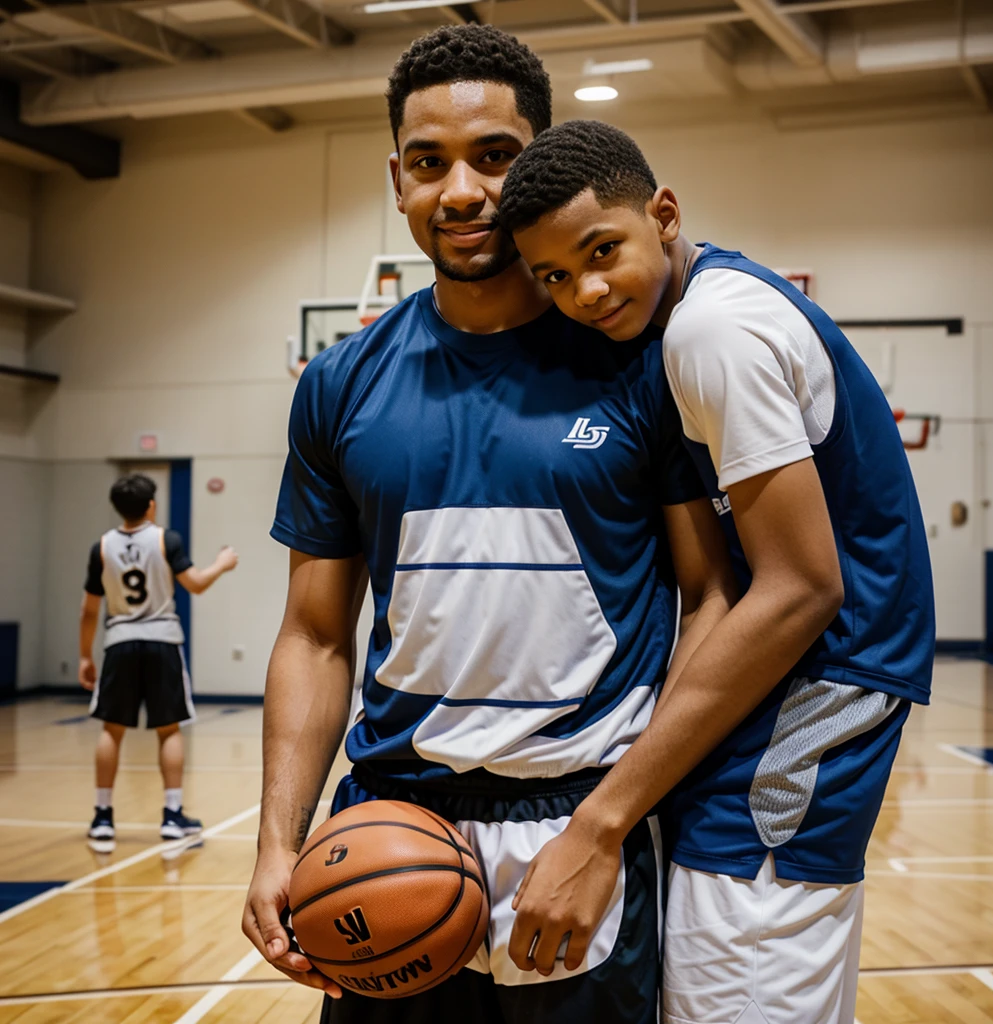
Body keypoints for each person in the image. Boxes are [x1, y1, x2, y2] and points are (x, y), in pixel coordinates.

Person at [241, 25, 735, 1024]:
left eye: (495, 158)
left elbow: (711, 601)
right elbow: (315, 632)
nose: (460, 192)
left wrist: (605, 826)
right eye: (429, 163)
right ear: (396, 178)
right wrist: (277, 842)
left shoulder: (638, 359)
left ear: (539, 164)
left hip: (580, 824)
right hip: (388, 831)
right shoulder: (339, 383)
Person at [497, 119, 935, 1024]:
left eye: (600, 250)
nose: (584, 290)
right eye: (552, 276)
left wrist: (602, 817)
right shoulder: (710, 306)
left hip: (803, 715)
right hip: (777, 713)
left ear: (663, 213)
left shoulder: (712, 330)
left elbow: (803, 588)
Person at [80, 473, 238, 851]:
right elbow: (196, 584)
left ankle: (103, 818)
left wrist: (86, 654)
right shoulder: (167, 539)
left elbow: (89, 611)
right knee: (168, 729)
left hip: (119, 642)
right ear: (151, 505)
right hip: (162, 640)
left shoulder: (101, 547)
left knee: (111, 729)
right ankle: (172, 815)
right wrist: (221, 563)